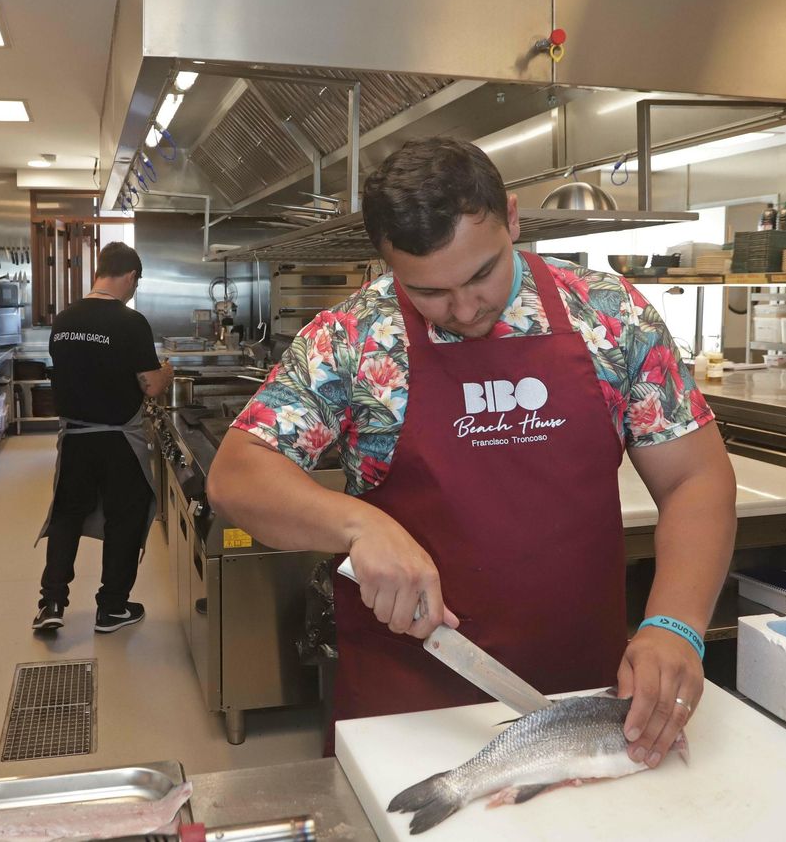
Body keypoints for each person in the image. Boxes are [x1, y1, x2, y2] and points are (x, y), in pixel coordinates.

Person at [207, 138, 736, 767]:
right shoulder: (353, 338)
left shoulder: (610, 315)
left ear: (512, 219)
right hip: (406, 704)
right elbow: (237, 474)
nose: (463, 309)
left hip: (583, 693)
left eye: (482, 273)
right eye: (428, 291)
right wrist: (358, 523)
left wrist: (675, 624)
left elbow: (694, 479)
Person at [33, 242, 173, 634]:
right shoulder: (130, 323)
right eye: (135, 284)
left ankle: (51, 603)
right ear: (129, 276)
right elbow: (150, 387)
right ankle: (112, 608)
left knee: (66, 516)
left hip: (75, 438)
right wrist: (167, 371)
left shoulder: (63, 320)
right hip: (118, 443)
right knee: (124, 519)